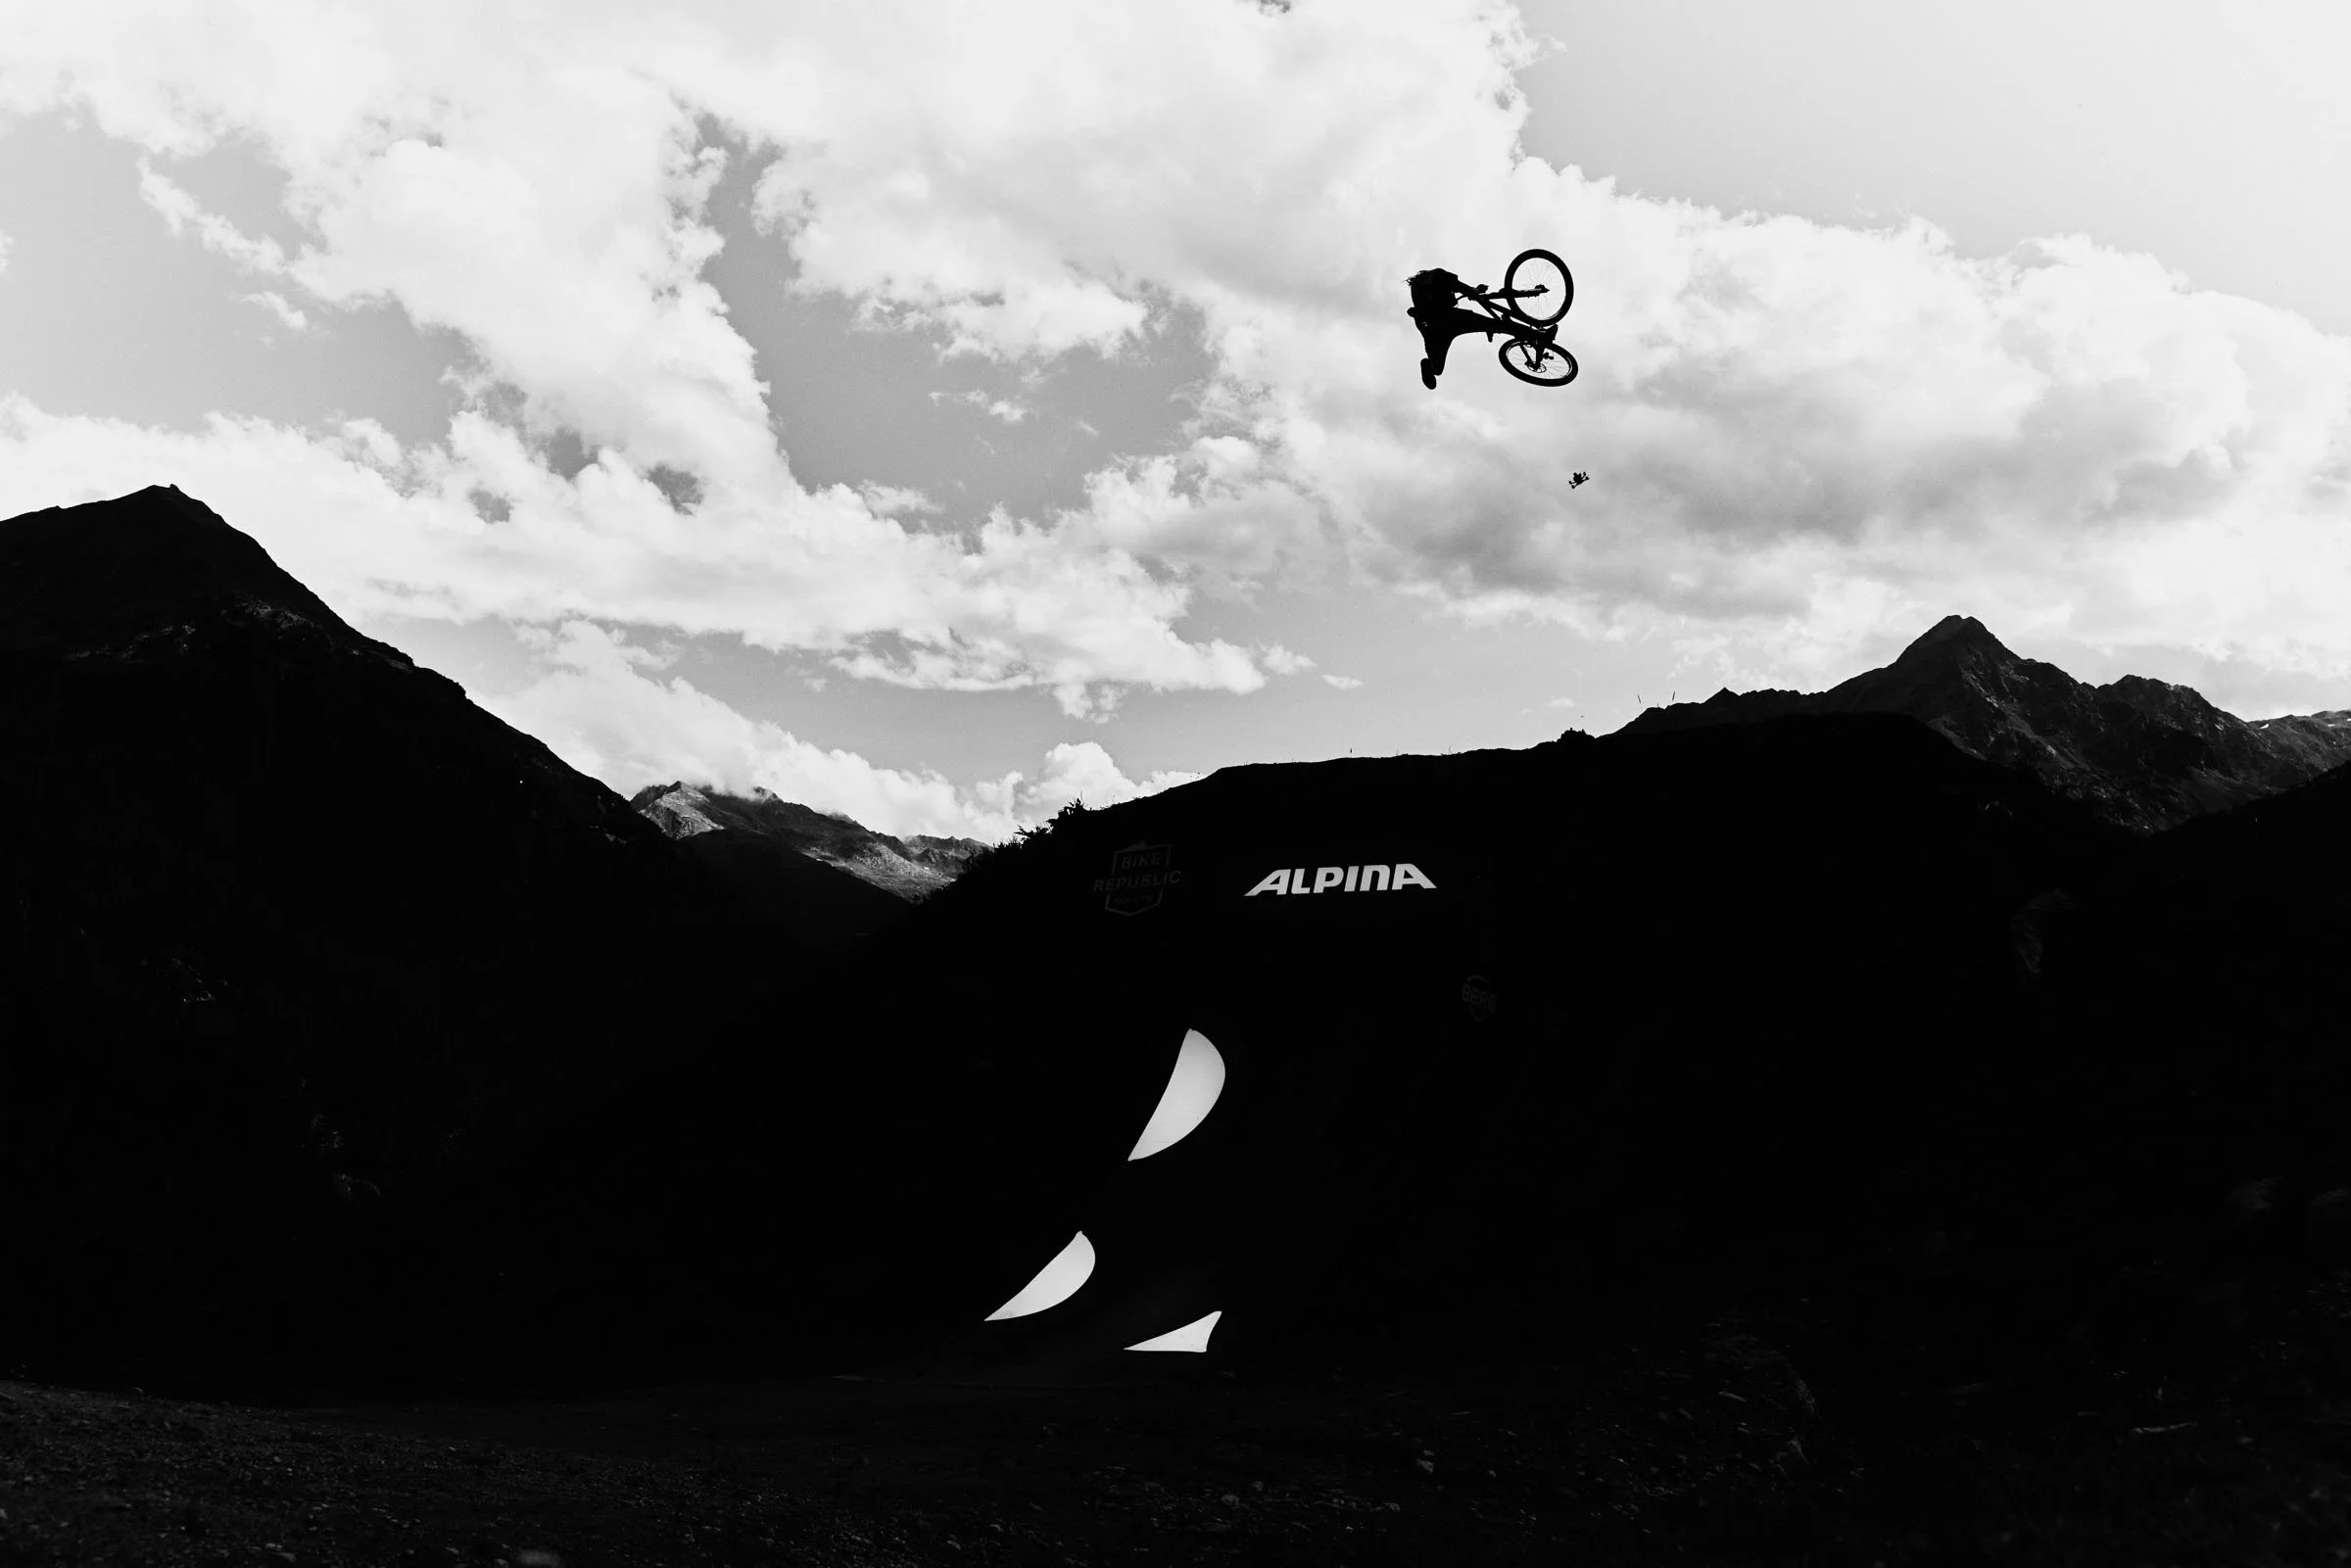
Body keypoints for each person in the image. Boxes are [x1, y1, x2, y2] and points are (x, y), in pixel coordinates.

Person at [1406, 268, 1505, 389]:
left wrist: (1428, 338)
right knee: (1501, 326)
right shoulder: (1437, 274)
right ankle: (1520, 331)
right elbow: (1456, 285)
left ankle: (1428, 365)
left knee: (1437, 369)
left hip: (1434, 330)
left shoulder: (1418, 292)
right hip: (1451, 319)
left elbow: (1420, 323)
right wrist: (1473, 291)